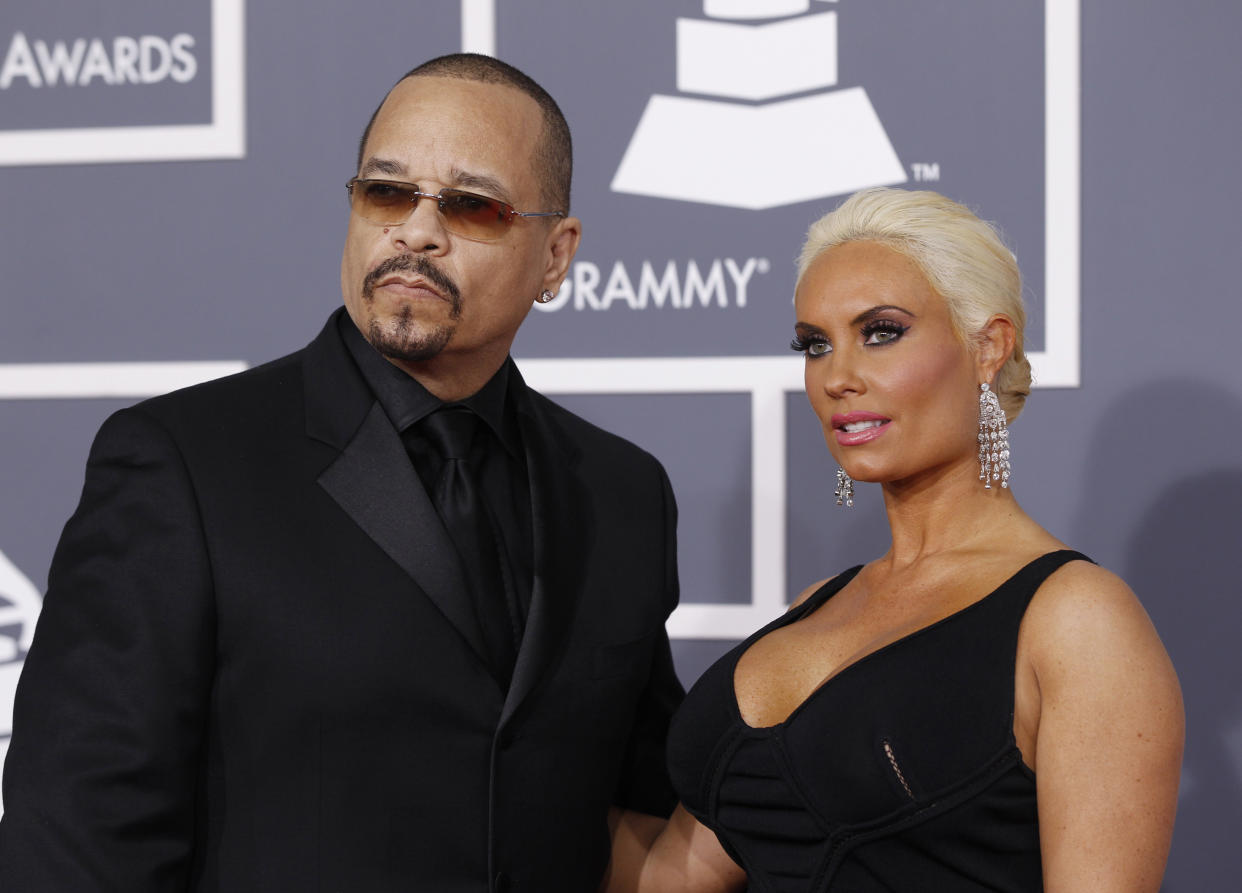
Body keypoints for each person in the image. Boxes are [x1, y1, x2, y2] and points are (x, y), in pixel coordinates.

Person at [0, 54, 685, 892]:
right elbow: (77, 839)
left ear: (556, 255)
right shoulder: (182, 463)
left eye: (471, 205)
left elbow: (645, 807)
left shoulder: (622, 492)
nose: (416, 231)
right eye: (387, 193)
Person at [603, 188, 1183, 892]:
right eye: (815, 344)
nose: (838, 377)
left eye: (880, 331)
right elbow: (671, 876)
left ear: (987, 347)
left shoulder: (1076, 619)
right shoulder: (819, 601)